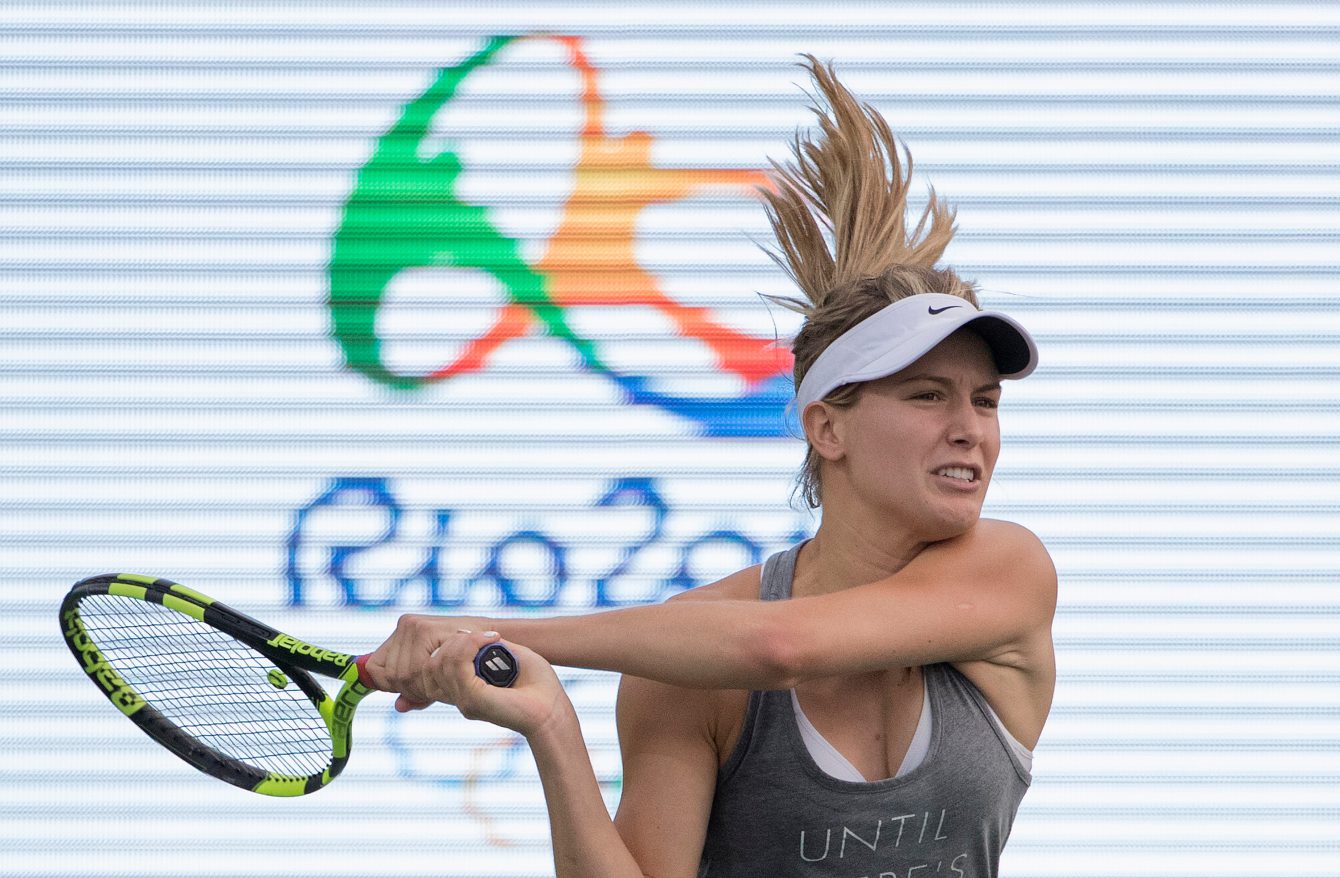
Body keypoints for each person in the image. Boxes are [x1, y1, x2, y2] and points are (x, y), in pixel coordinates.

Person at [366, 57, 1057, 878]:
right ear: (827, 428)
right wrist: (550, 724)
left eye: (986, 402)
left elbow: (779, 646)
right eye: (928, 396)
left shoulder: (1009, 570)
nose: (969, 430)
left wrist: (487, 635)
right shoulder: (687, 660)